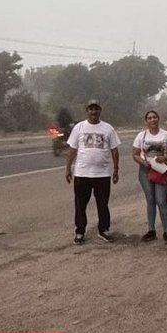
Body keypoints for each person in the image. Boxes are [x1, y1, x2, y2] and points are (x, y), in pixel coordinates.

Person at [65, 101, 120, 244]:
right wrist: (68, 168)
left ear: (100, 111)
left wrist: (116, 169)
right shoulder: (79, 128)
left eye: (96, 109)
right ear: (87, 111)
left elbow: (114, 150)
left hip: (102, 175)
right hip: (82, 174)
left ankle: (104, 229)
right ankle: (80, 231)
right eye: (91, 109)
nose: (94, 112)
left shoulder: (108, 129)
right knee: (80, 204)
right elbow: (72, 150)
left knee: (103, 204)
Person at [132, 110, 167, 244]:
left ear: (158, 119)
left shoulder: (166, 135)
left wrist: (164, 158)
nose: (152, 120)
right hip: (145, 170)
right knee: (150, 199)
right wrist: (143, 162)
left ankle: (166, 231)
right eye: (150, 118)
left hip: (161, 170)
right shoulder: (141, 136)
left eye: (154, 117)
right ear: (146, 121)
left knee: (161, 200)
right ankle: (151, 230)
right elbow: (134, 154)